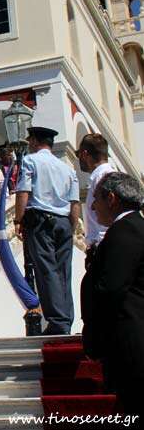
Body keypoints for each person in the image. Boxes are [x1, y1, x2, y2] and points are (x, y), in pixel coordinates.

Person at [82, 172, 144, 420]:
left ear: (111, 198)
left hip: (131, 344)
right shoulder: (134, 228)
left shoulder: (125, 231)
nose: (93, 207)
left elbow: (110, 289)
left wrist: (94, 337)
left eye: (96, 199)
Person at [14, 126, 81, 335]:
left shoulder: (30, 161)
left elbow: (23, 192)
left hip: (40, 220)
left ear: (35, 141)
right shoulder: (67, 169)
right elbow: (75, 202)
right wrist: (72, 225)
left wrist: (18, 219)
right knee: (64, 272)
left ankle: (57, 321)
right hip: (63, 220)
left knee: (46, 270)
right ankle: (66, 318)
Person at [77, 133, 116, 251]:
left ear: (84, 154)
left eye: (78, 155)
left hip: (104, 246)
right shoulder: (105, 175)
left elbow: (108, 218)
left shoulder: (101, 177)